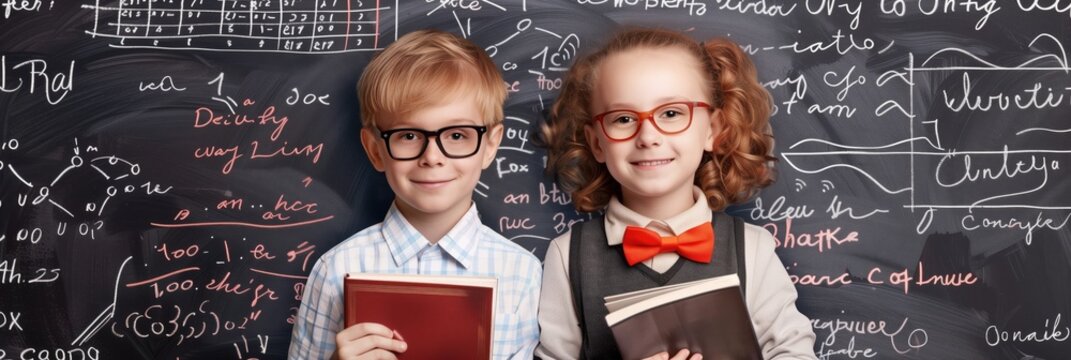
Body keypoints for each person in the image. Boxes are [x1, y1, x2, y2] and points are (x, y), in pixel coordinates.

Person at [536, 27, 817, 360]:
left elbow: (794, 352)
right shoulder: (568, 256)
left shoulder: (752, 248)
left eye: (671, 113)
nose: (648, 137)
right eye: (623, 119)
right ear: (597, 142)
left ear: (712, 130)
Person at [288, 29, 542, 360]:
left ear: (490, 145)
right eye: (408, 135)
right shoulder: (335, 269)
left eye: (457, 135)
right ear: (375, 150)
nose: (432, 157)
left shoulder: (522, 273)